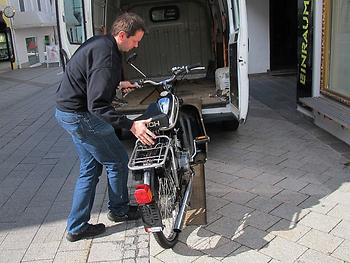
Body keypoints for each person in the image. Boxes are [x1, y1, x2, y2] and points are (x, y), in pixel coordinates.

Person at [55, 12, 156, 242]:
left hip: (67, 112)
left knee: (90, 168)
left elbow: (91, 78)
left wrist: (118, 84)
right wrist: (132, 126)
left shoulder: (100, 42)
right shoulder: (109, 56)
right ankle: (119, 210)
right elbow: (97, 105)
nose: (136, 45)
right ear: (122, 35)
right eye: (134, 41)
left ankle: (77, 226)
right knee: (117, 160)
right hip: (81, 116)